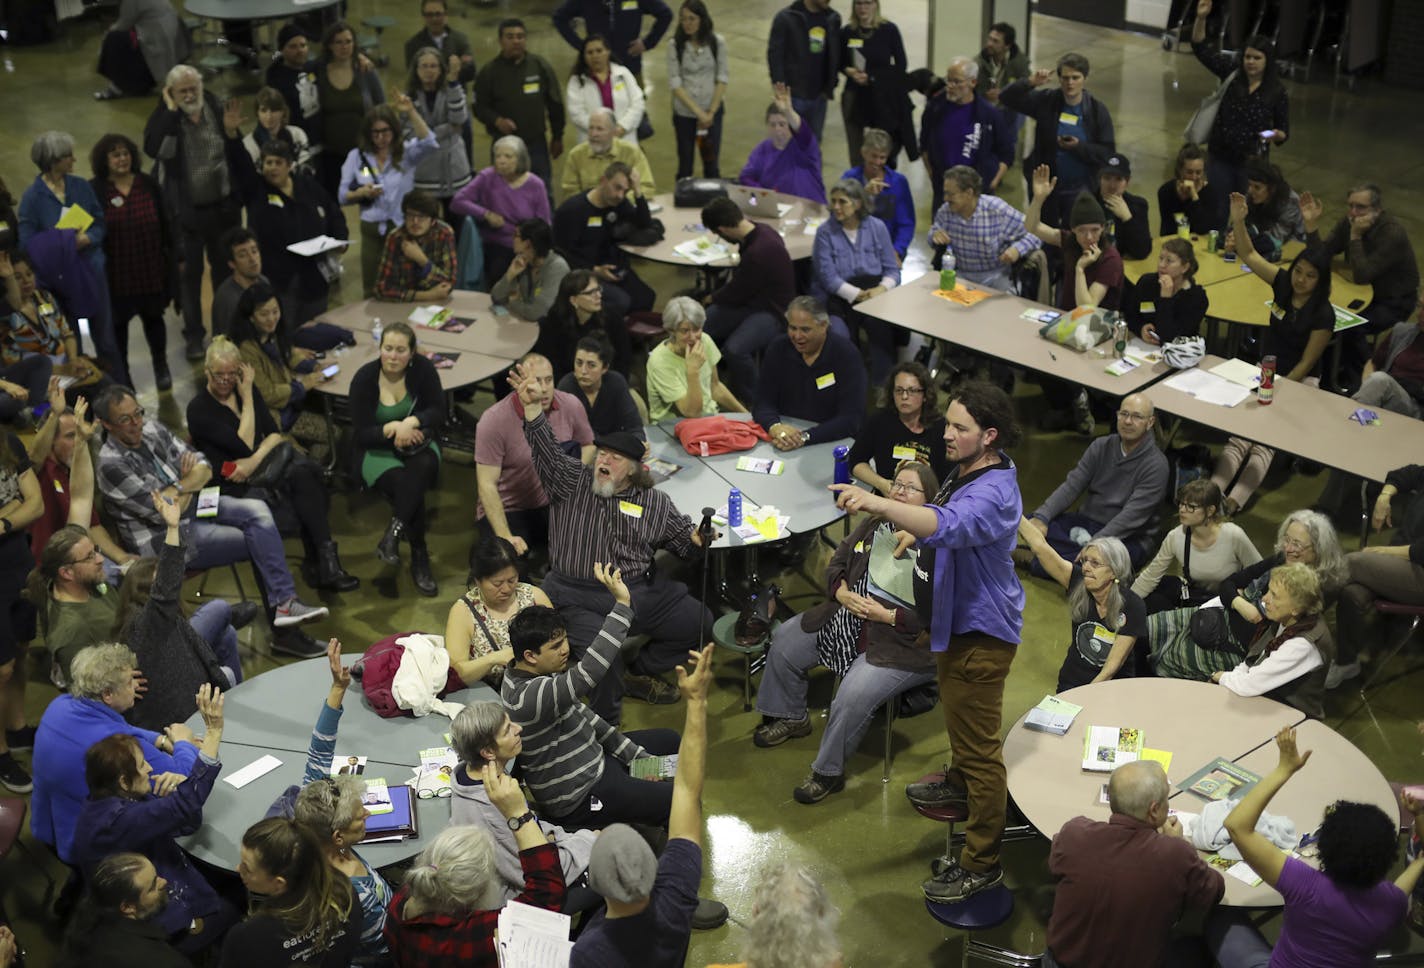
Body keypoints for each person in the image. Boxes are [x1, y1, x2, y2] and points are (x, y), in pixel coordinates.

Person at [830, 381, 1025, 904]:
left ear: (989, 436)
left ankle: (980, 861)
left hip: (979, 634)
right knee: (963, 728)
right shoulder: (974, 468)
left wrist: (879, 502)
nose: (948, 434)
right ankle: (958, 782)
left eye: (961, 428)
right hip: (954, 626)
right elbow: (941, 521)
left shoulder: (993, 490)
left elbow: (949, 519)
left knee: (983, 753)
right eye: (949, 423)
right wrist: (921, 534)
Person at [512, 364, 714, 721]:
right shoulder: (571, 481)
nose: (603, 460)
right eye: (602, 454)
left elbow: (684, 544)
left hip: (638, 590)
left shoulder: (654, 503)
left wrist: (699, 540)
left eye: (615, 458)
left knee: (699, 621)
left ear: (634, 470)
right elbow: (545, 450)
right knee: (603, 665)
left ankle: (641, 666)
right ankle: (607, 728)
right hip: (576, 595)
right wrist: (531, 410)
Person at [753, 461, 938, 803]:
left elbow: (940, 619)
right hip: (845, 616)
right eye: (897, 484)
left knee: (851, 698)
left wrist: (888, 616)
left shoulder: (938, 548)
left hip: (901, 643)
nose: (899, 491)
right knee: (784, 641)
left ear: (930, 500)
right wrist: (839, 592)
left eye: (911, 488)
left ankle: (827, 773)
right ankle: (792, 717)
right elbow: (836, 561)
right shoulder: (874, 524)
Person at [93, 385, 330, 646]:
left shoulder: (151, 429)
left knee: (257, 511)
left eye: (137, 413)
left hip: (194, 506)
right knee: (256, 539)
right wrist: (188, 480)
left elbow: (203, 465)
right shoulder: (110, 464)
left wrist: (183, 485)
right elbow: (165, 511)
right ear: (106, 424)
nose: (136, 423)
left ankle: (285, 603)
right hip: (167, 537)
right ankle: (287, 633)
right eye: (124, 419)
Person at [1205, 727, 1422, 966]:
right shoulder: (1392, 905)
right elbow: (1400, 890)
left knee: (1218, 915)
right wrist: (1420, 855)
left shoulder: (1304, 884)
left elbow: (1237, 826)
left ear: (1324, 847)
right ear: (1387, 858)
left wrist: (1283, 769)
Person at [572, 644, 727, 960]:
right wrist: (697, 703)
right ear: (655, 867)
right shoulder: (677, 894)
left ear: (596, 886)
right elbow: (686, 789)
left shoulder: (590, 950)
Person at [502, 561, 682, 816]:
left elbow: (591, 721)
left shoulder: (540, 674)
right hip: (578, 793)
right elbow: (589, 672)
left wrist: (638, 760)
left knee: (671, 743)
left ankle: (651, 799)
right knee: (677, 800)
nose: (565, 650)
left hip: (595, 758)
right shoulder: (528, 697)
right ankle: (663, 820)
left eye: (564, 640)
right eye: (555, 647)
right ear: (530, 656)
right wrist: (622, 605)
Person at [71, 687, 236, 957]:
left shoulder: (120, 798)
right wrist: (214, 732)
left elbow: (187, 822)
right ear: (124, 781)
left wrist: (179, 787)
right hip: (157, 918)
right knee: (240, 897)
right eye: (142, 765)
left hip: (156, 881)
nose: (150, 768)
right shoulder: (115, 820)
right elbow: (187, 805)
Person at [187, 338, 357, 593]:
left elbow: (274, 434)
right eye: (218, 374)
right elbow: (243, 444)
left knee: (307, 476)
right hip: (228, 485)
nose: (225, 380)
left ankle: (324, 564)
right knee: (306, 487)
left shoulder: (245, 389)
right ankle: (322, 564)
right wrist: (247, 400)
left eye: (231, 373)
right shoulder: (199, 409)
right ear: (206, 372)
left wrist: (257, 455)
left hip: (263, 470)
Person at [1210, 193, 1334, 514]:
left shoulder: (1323, 314)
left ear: (1320, 282)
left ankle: (1233, 503)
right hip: (1267, 370)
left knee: (1262, 441)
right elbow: (1249, 254)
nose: (1301, 280)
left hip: (1299, 380)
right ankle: (1210, 495)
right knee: (1239, 437)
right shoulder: (1282, 284)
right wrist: (1238, 219)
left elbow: (1307, 362)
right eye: (1298, 271)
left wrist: (1272, 389)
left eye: (1309, 276)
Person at [1044, 759, 1224, 968]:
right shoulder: (1174, 854)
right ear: (1154, 810)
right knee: (1195, 948)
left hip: (1060, 962)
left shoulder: (1075, 833)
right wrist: (1178, 844)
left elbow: (1054, 863)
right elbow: (1214, 891)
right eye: (1167, 798)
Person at [31, 642, 200, 864]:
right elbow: (183, 778)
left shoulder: (60, 705)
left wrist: (158, 740)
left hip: (51, 827)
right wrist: (183, 743)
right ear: (108, 694)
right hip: (97, 849)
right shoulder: (118, 748)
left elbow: (119, 727)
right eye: (130, 682)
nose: (135, 686)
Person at [1149, 509, 1348, 694]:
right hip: (1220, 617)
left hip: (1235, 646)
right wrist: (1240, 603)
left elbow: (1262, 648)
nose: (1288, 548)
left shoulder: (1310, 593)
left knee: (1168, 658)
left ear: (1318, 550)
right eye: (1286, 539)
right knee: (1147, 628)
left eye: (1297, 544)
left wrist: (1244, 599)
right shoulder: (1281, 561)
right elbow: (1229, 584)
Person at [286, 643, 392, 967]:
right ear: (338, 837)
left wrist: (337, 689)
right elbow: (388, 943)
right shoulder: (354, 897)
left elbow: (320, 750)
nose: (369, 814)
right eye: (360, 817)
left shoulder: (311, 813)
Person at [384, 785, 565, 966]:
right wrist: (519, 814)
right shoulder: (475, 935)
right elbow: (546, 897)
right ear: (479, 891)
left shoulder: (398, 906)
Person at [449, 701, 599, 905]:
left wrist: (554, 836)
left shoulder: (478, 774)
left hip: (540, 853)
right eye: (507, 730)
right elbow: (539, 875)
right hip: (518, 901)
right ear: (488, 752)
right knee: (614, 861)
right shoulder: (492, 810)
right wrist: (588, 840)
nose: (519, 729)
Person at [108, 491, 243, 714]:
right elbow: (166, 588)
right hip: (180, 711)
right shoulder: (144, 625)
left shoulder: (152, 620)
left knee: (227, 633)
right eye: (161, 579)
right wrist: (172, 528)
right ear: (148, 591)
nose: (175, 579)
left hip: (187, 687)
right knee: (219, 610)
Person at [144, 65, 243, 361]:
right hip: (186, 214)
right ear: (170, 93)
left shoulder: (213, 105)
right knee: (190, 278)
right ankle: (194, 337)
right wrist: (172, 112)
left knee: (226, 273)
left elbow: (233, 145)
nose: (190, 95)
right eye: (182, 91)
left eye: (193, 89)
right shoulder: (165, 117)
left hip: (223, 209)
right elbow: (153, 148)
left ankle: (225, 332)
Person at [1024, 165, 1126, 434]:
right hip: (1070, 322)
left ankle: (1081, 401)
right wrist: (1038, 198)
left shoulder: (1110, 259)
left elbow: (1088, 308)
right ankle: (1066, 406)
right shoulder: (1070, 241)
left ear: (1103, 228)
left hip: (1100, 330)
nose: (1089, 237)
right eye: (1082, 231)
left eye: (1095, 230)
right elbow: (1032, 226)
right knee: (1038, 355)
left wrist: (1080, 269)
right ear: (1073, 230)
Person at [224, 110, 347, 329]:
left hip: (314, 276)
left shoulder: (307, 186)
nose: (271, 168)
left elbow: (333, 211)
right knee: (284, 331)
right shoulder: (257, 191)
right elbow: (240, 164)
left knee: (316, 327)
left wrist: (341, 238)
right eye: (267, 163)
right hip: (279, 279)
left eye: (277, 162)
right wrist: (232, 135)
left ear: (289, 165)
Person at [17, 131, 123, 384]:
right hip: (60, 282)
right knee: (71, 340)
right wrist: (61, 242)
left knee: (106, 339)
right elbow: (27, 242)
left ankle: (121, 389)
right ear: (53, 160)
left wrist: (89, 238)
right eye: (67, 156)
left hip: (91, 271)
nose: (73, 160)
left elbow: (99, 220)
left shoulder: (80, 186)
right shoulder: (32, 199)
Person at [350, 322, 445, 595]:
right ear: (379, 349)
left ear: (412, 352)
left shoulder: (424, 370)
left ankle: (393, 535)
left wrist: (412, 422)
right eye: (387, 349)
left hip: (418, 443)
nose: (393, 356)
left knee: (423, 466)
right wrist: (393, 428)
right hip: (378, 449)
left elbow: (439, 410)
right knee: (408, 486)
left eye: (400, 350)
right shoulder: (364, 379)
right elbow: (360, 433)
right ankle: (419, 555)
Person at [1025, 393, 1169, 571]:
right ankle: (1062, 566)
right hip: (1087, 521)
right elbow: (1072, 485)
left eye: (1137, 416)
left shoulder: (1156, 465)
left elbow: (1131, 518)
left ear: (1150, 422)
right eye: (1124, 414)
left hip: (1128, 537)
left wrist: (1094, 545)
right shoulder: (1101, 446)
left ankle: (1040, 561)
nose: (1128, 421)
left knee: (1103, 566)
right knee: (1031, 524)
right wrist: (1042, 517)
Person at [475, 353, 594, 567]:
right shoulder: (493, 420)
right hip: (510, 507)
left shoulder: (571, 404)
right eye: (536, 381)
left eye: (548, 380)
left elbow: (588, 444)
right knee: (508, 567)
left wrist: (572, 475)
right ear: (519, 383)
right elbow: (486, 485)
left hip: (552, 503)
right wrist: (505, 536)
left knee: (589, 547)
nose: (544, 388)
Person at [1301, 183, 1420, 390]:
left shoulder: (1391, 233)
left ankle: (1362, 381)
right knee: (1320, 316)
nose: (1354, 213)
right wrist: (1311, 226)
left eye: (1360, 207)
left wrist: (1355, 237)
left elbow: (1363, 275)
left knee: (1349, 327)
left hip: (1393, 301)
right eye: (1351, 206)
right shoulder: (1349, 222)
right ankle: (1326, 372)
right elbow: (1320, 257)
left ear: (1377, 209)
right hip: (1361, 293)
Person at [88, 133, 173, 391]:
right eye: (115, 155)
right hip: (117, 275)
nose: (122, 159)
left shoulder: (147, 184)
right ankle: (125, 379)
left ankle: (161, 366)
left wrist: (174, 256)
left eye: (125, 153)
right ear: (105, 160)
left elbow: (166, 222)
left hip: (150, 270)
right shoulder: (95, 190)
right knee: (118, 331)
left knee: (155, 322)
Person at [220, 817, 363, 968]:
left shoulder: (246, 938)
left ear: (279, 883)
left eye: (246, 867)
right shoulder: (345, 893)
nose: (238, 869)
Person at [1018, 530, 1147, 691]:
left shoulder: (1132, 606)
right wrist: (1015, 510)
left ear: (1114, 571)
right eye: (1085, 561)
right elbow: (1041, 548)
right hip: (1071, 682)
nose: (1086, 567)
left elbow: (1111, 668)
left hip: (1113, 687)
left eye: (1095, 563)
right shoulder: (1078, 582)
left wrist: (1085, 696)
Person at [1200, 563, 1335, 715]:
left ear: (1296, 608)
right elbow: (1251, 661)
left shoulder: (1303, 645)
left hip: (1291, 716)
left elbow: (1250, 684)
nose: (1264, 599)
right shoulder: (1287, 619)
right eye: (1268, 591)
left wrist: (1220, 677)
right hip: (1267, 698)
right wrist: (1228, 678)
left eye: (1274, 596)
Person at [1333, 463, 1424, 688]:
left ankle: (1292, 618)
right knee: (1350, 592)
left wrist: (1384, 551)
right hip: (1398, 563)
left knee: (1353, 562)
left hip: (1419, 571)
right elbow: (1407, 474)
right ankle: (1347, 663)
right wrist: (1385, 496)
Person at [699, 196, 797, 403]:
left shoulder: (757, 252)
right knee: (701, 326)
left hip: (773, 312)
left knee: (735, 350)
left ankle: (755, 399)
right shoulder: (762, 231)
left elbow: (737, 292)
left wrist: (711, 297)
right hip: (754, 301)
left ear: (722, 230)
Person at [1000, 53, 1115, 228]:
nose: (1070, 83)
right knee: (1043, 234)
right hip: (1047, 187)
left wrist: (1079, 147)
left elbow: (1107, 153)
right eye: (1065, 78)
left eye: (1075, 78)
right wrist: (1030, 82)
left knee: (1074, 235)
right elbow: (1006, 97)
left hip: (1080, 188)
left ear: (1085, 79)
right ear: (1059, 79)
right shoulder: (1046, 101)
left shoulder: (1097, 111)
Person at [339, 99, 438, 297]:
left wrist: (410, 111)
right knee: (371, 288)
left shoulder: (407, 153)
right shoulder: (356, 157)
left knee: (404, 284)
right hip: (371, 229)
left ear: (394, 130)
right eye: (375, 132)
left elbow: (430, 143)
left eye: (386, 131)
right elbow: (342, 196)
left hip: (401, 226)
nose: (381, 137)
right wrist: (361, 193)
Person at [1191, 1, 1289, 194]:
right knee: (1218, 208)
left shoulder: (1277, 91)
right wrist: (1201, 18)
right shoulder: (1231, 74)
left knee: (1246, 210)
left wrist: (1269, 134)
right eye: (1247, 57)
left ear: (1268, 61)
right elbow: (1201, 48)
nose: (1251, 62)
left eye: (1257, 58)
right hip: (1220, 158)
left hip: (1252, 165)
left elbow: (1283, 131)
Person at [812, 178, 900, 385]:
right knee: (840, 337)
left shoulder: (877, 227)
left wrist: (881, 288)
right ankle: (849, 385)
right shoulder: (825, 232)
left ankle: (883, 386)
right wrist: (859, 295)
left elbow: (892, 270)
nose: (836, 207)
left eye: (842, 202)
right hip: (840, 299)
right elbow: (828, 277)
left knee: (881, 332)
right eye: (833, 201)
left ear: (858, 204)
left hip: (874, 295)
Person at [1131, 479, 1261, 614]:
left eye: (1191, 506)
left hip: (1230, 603)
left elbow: (1262, 572)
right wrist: (1126, 604)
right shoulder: (1176, 536)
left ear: (1210, 510)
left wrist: (1245, 598)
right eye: (1181, 504)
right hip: (1197, 599)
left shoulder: (1233, 535)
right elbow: (1151, 576)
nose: (1182, 509)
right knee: (1150, 601)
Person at [753, 298, 866, 452]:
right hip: (784, 438)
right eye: (793, 328)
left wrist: (804, 437)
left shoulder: (846, 355)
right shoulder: (778, 349)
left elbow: (851, 418)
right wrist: (774, 426)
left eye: (805, 330)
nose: (797, 336)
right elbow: (763, 401)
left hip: (830, 441)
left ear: (824, 326)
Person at [1, 252, 111, 405]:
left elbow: (67, 334)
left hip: (68, 369)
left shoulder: (44, 297)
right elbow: (13, 363)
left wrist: (73, 360)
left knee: (106, 385)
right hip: (38, 379)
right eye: (18, 277)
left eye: (29, 274)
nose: (26, 281)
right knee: (84, 395)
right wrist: (62, 369)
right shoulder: (6, 315)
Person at [445, 536, 554, 688]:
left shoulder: (535, 597)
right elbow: (456, 674)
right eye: (497, 583)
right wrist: (494, 659)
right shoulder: (463, 612)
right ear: (478, 580)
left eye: (512, 580)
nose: (507, 589)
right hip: (492, 696)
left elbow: (560, 645)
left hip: (542, 687)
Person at [552, 161, 655, 317]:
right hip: (581, 272)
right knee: (621, 302)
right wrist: (595, 270)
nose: (620, 195)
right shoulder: (572, 211)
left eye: (625, 191)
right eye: (617, 187)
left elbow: (644, 224)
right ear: (603, 181)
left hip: (611, 268)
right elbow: (561, 252)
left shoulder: (617, 203)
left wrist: (638, 192)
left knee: (646, 297)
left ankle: (630, 337)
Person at [473, 19, 566, 192]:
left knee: (542, 190)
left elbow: (555, 103)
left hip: (536, 144)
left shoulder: (539, 66)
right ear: (500, 41)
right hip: (503, 146)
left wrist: (558, 136)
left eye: (520, 37)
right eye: (510, 37)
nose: (516, 41)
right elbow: (479, 107)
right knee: (503, 192)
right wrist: (497, 120)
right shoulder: (489, 72)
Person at [56, 853, 194, 968]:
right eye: (152, 886)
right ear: (128, 907)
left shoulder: (87, 915)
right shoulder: (164, 961)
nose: (163, 881)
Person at [228, 283, 332, 433]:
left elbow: (288, 355)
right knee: (333, 431)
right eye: (264, 314)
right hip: (277, 418)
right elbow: (267, 394)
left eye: (275, 312)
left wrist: (313, 366)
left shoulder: (271, 333)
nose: (271, 318)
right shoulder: (246, 350)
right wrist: (302, 386)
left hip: (291, 404)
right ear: (250, 317)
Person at [918, 57, 1013, 215]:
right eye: (948, 80)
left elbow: (1006, 152)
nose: (950, 86)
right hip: (944, 192)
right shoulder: (935, 108)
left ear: (973, 83)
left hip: (978, 194)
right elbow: (924, 146)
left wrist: (993, 181)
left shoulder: (989, 114)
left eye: (957, 82)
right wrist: (933, 175)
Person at [0, 426, 40, 795]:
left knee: (22, 654)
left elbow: (36, 503)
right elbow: (23, 501)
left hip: (19, 567)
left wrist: (3, 518)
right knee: (1, 668)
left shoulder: (7, 441)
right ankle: (0, 753)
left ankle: (16, 729)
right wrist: (15, 507)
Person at [452, 142, 552, 287]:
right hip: (496, 244)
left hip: (527, 246)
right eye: (497, 156)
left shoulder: (536, 185)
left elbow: (544, 224)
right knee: (498, 271)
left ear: (521, 159)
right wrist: (485, 214)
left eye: (508, 156)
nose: (501, 160)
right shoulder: (487, 176)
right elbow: (457, 202)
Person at [926, 166, 1040, 292]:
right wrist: (934, 235)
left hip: (996, 276)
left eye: (950, 194)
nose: (945, 199)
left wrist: (1017, 250)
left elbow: (1035, 233)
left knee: (1007, 305)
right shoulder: (946, 211)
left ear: (969, 193)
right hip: (961, 275)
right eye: (945, 193)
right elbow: (933, 233)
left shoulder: (997, 209)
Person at [847, 363, 949, 493]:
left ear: (925, 395)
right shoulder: (879, 421)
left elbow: (946, 481)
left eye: (912, 391)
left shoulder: (941, 428)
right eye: (899, 390)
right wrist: (881, 484)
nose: (904, 397)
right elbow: (855, 461)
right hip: (886, 499)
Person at [314, 21, 387, 203]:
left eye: (348, 41)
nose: (344, 46)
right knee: (331, 201)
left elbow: (381, 106)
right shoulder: (318, 72)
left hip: (363, 153)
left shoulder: (365, 70)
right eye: (338, 42)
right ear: (330, 45)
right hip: (330, 153)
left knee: (371, 199)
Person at [837, 0, 915, 169]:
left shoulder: (889, 30)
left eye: (867, 3)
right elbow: (840, 63)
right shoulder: (847, 32)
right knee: (856, 147)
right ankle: (859, 185)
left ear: (876, 5)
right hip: (855, 93)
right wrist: (850, 72)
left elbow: (901, 65)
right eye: (858, 3)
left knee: (883, 145)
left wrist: (872, 77)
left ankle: (883, 181)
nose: (863, 8)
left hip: (881, 96)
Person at [645, 296, 745, 421]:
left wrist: (747, 415)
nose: (692, 337)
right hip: (674, 427)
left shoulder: (704, 340)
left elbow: (715, 387)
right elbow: (692, 412)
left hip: (709, 418)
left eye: (696, 329)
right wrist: (693, 370)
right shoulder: (659, 361)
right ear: (672, 331)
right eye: (684, 331)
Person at [667, 0, 727, 179]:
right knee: (685, 165)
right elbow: (675, 83)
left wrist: (710, 113)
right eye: (683, 19)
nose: (687, 23)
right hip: (685, 115)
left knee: (710, 162)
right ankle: (684, 199)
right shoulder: (674, 45)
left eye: (692, 19)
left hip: (711, 115)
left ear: (702, 19)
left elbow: (722, 78)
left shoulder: (717, 42)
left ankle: (714, 203)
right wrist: (699, 114)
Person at [408, 47, 473, 210]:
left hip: (455, 173)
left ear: (441, 69)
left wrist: (453, 82)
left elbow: (459, 119)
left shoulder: (453, 90)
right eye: (424, 66)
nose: (429, 70)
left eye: (433, 66)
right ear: (416, 70)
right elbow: (410, 134)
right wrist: (449, 129)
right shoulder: (408, 98)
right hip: (424, 174)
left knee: (458, 225)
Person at [766, 0, 840, 142]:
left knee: (813, 144)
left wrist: (831, 84)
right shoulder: (786, 19)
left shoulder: (832, 19)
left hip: (820, 97)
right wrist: (781, 89)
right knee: (789, 146)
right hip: (794, 98)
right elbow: (775, 56)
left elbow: (835, 54)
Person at [739, 85, 826, 204]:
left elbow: (803, 131)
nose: (778, 130)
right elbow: (746, 177)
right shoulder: (762, 149)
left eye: (782, 124)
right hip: (779, 211)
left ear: (790, 124)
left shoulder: (804, 146)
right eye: (772, 125)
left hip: (811, 210)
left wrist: (788, 111)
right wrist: (765, 193)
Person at [554, 0, 673, 81]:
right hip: (597, 71)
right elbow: (559, 18)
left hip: (629, 67)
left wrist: (647, 43)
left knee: (636, 111)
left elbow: (665, 14)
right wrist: (582, 47)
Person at [842, 128, 914, 260]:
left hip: (887, 251)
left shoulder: (898, 183)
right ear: (864, 153)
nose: (878, 162)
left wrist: (897, 250)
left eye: (882, 157)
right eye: (874, 156)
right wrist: (864, 194)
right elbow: (839, 215)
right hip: (853, 251)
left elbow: (906, 223)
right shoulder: (849, 179)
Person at [94, 0, 189, 99]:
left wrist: (107, 34)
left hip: (157, 36)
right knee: (119, 37)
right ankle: (127, 84)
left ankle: (119, 86)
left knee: (113, 39)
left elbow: (124, 23)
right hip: (171, 28)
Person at [1122, 236, 1208, 345]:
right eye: (1161, 258)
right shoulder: (1147, 283)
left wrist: (1165, 300)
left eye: (1169, 261)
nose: (1161, 265)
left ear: (1185, 267)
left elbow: (1169, 336)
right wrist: (1140, 328)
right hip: (1142, 347)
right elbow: (1130, 315)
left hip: (1176, 352)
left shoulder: (1196, 298)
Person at [374, 190, 457, 302]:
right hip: (402, 305)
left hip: (436, 304)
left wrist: (422, 261)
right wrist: (427, 296)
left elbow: (448, 283)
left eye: (421, 217)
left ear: (433, 221)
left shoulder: (444, 233)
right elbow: (381, 289)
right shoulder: (396, 237)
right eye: (410, 215)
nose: (415, 222)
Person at [559, 108, 658, 200]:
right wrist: (595, 202)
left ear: (613, 132)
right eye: (591, 128)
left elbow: (647, 187)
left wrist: (618, 200)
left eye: (600, 129)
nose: (594, 134)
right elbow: (569, 192)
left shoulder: (631, 152)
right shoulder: (576, 155)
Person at [558, 334, 645, 438]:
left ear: (604, 368)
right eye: (579, 363)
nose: (583, 371)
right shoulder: (566, 388)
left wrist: (639, 443)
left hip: (615, 449)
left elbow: (634, 426)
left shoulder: (616, 382)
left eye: (591, 365)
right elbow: (566, 436)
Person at [566, 36, 646, 146]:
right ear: (584, 56)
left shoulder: (623, 73)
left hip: (624, 139)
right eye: (590, 52)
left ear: (608, 52)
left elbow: (638, 102)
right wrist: (600, 130)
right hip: (592, 142)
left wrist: (622, 127)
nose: (595, 56)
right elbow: (577, 113)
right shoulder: (577, 81)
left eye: (599, 51)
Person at [1228, 157, 1304, 263]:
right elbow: (1241, 223)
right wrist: (1233, 235)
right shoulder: (1253, 195)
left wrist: (1240, 242)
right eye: (1249, 184)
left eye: (1257, 187)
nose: (1250, 190)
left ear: (1272, 189)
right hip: (1259, 243)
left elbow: (1276, 240)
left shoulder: (1291, 202)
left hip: (1288, 253)